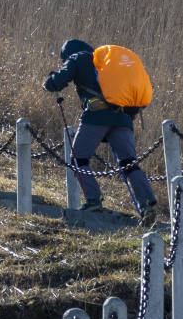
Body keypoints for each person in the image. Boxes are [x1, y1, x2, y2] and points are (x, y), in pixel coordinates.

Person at [43, 38, 158, 223]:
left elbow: (61, 79)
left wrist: (50, 82)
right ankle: (146, 205)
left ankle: (93, 200)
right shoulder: (104, 62)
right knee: (129, 163)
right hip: (123, 118)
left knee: (78, 158)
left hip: (96, 117)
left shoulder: (77, 57)